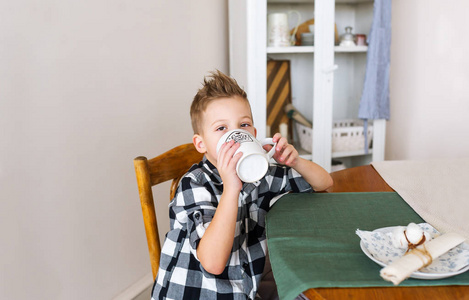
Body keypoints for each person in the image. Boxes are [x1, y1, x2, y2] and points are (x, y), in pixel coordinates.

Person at [152, 70, 333, 300]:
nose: (236, 135)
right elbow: (213, 263)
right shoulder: (194, 184)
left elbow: (324, 183)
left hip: (242, 289)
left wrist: (295, 161)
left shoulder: (259, 174)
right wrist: (231, 188)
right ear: (201, 143)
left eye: (244, 125)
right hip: (196, 293)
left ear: (255, 135)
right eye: (221, 128)